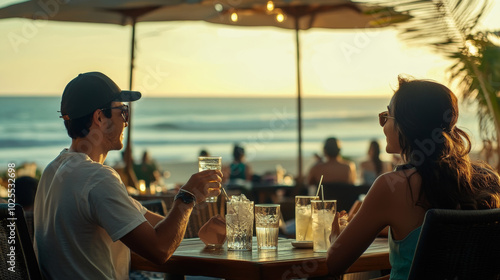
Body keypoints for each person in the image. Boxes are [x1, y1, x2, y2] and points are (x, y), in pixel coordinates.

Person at [33, 72, 222, 279]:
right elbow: (159, 250)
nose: (126, 122)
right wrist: (187, 197)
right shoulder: (96, 178)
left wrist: (196, 233)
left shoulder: (52, 171)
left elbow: (157, 228)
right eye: (123, 112)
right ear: (99, 118)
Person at [326, 76, 500, 280]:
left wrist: (335, 239)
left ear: (406, 125)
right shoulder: (488, 180)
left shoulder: (392, 186)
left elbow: (334, 264)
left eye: (387, 117)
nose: (383, 126)